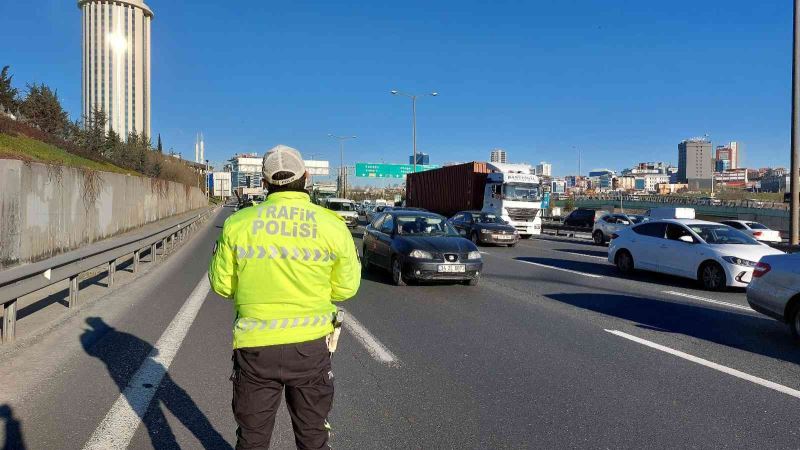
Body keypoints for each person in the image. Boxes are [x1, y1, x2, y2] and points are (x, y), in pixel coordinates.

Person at [209, 145, 361, 449]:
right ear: (305, 177)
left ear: (264, 184)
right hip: (310, 349)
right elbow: (346, 289)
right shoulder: (332, 225)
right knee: (313, 437)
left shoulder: (238, 224)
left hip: (255, 350)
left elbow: (223, 286)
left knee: (252, 439)